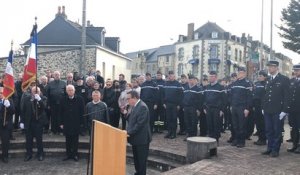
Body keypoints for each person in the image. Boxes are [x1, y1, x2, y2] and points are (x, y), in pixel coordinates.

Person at [262, 60, 290, 157]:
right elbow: (265, 95)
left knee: (277, 130)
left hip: (278, 110)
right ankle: (269, 148)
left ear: (277, 68)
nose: (269, 68)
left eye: (271, 67)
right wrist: (263, 107)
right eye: (268, 66)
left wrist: (284, 110)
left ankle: (275, 149)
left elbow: (287, 96)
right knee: (268, 129)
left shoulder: (284, 79)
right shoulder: (268, 79)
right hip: (268, 109)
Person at [126, 90, 152, 175]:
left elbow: (139, 124)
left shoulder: (142, 107)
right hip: (135, 138)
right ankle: (138, 173)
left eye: (129, 99)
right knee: (136, 159)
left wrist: (128, 132)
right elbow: (131, 121)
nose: (128, 100)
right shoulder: (134, 106)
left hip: (142, 139)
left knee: (141, 161)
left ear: (135, 98)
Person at [20, 86, 47, 161]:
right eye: (34, 91)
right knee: (28, 140)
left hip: (38, 122)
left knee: (39, 140)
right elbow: (23, 111)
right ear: (31, 91)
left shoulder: (43, 98)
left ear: (40, 91)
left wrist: (39, 100)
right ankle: (29, 154)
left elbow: (44, 107)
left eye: (37, 91)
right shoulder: (26, 98)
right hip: (29, 122)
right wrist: (22, 121)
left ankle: (40, 154)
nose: (35, 92)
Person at [59, 85, 84, 161]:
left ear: (74, 90)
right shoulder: (63, 99)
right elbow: (60, 113)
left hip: (76, 123)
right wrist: (61, 123)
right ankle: (68, 154)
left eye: (72, 90)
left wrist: (82, 123)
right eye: (69, 90)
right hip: (66, 123)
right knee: (68, 140)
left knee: (75, 140)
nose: (70, 91)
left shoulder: (80, 99)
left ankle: (75, 154)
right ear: (66, 91)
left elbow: (82, 112)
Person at [229, 67, 252, 148]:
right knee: (235, 125)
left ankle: (241, 141)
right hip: (234, 106)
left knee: (242, 125)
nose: (240, 74)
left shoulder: (247, 83)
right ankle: (236, 139)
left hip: (242, 107)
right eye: (239, 72)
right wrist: (231, 105)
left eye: (241, 72)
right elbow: (231, 95)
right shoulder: (234, 83)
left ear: (245, 73)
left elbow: (249, 97)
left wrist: (247, 108)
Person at [203, 71, 226, 143]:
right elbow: (204, 98)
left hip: (217, 109)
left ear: (216, 77)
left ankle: (216, 140)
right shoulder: (207, 87)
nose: (210, 78)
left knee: (216, 125)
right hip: (208, 109)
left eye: (212, 76)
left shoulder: (220, 87)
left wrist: (222, 110)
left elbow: (224, 100)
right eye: (210, 76)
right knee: (209, 124)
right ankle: (210, 139)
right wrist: (204, 108)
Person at [163, 71, 183, 139]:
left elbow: (181, 95)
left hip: (175, 104)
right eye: (169, 76)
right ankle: (169, 132)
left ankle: (174, 133)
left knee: (174, 119)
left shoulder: (178, 84)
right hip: (167, 104)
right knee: (168, 119)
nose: (170, 77)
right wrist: (164, 103)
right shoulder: (166, 83)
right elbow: (163, 94)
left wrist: (179, 104)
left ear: (174, 76)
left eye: (172, 76)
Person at [182, 74, 203, 140]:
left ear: (194, 80)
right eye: (190, 80)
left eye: (192, 80)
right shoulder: (186, 88)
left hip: (194, 108)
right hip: (186, 107)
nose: (191, 81)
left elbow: (200, 100)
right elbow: (183, 97)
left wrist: (199, 109)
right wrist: (184, 106)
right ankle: (189, 134)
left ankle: (193, 136)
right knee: (187, 121)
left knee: (193, 122)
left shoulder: (198, 89)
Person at [287, 64, 300, 153]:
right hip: (292, 109)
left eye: (298, 70)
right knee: (294, 128)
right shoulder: (291, 81)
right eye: (295, 70)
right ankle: (295, 145)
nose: (296, 72)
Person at [0, 87, 15, 163]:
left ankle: (4, 156)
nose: (1, 94)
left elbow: (13, 112)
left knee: (5, 142)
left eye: (2, 93)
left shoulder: (9, 101)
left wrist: (8, 106)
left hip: (5, 125)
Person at [253, 70, 268, 146]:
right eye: (259, 76)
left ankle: (263, 139)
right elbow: (254, 94)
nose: (259, 77)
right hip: (256, 105)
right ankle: (260, 138)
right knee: (258, 123)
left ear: (265, 77)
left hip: (262, 106)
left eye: (261, 76)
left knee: (263, 123)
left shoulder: (267, 84)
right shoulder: (256, 84)